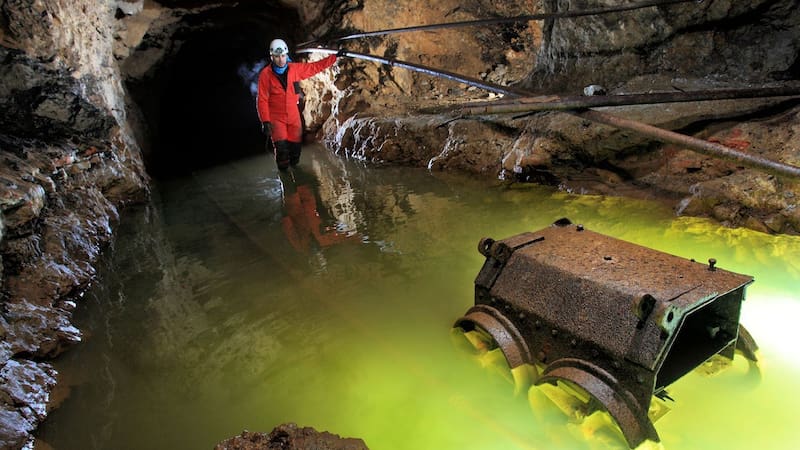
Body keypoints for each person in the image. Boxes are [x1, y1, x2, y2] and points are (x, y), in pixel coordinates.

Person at [257, 38, 343, 170]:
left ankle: (297, 176)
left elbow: (314, 67)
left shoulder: (295, 69)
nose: (281, 60)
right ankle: (285, 179)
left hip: (293, 116)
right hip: (276, 117)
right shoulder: (265, 75)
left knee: (295, 151)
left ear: (286, 55)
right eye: (277, 57)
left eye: (283, 56)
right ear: (272, 57)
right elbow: (262, 99)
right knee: (282, 150)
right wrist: (265, 121)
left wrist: (334, 57)